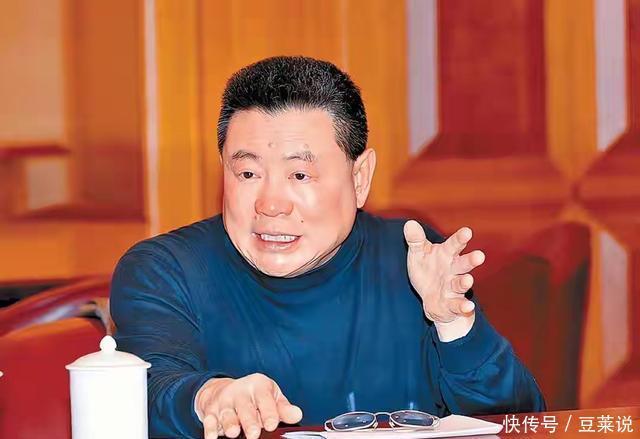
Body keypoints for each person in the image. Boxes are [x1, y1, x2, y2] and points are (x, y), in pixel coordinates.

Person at [110, 56, 545, 439]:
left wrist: (455, 329)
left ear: (360, 178)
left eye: (299, 175)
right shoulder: (167, 271)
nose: (271, 204)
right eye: (247, 174)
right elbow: (147, 392)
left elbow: (523, 421)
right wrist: (209, 396)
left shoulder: (411, 262)